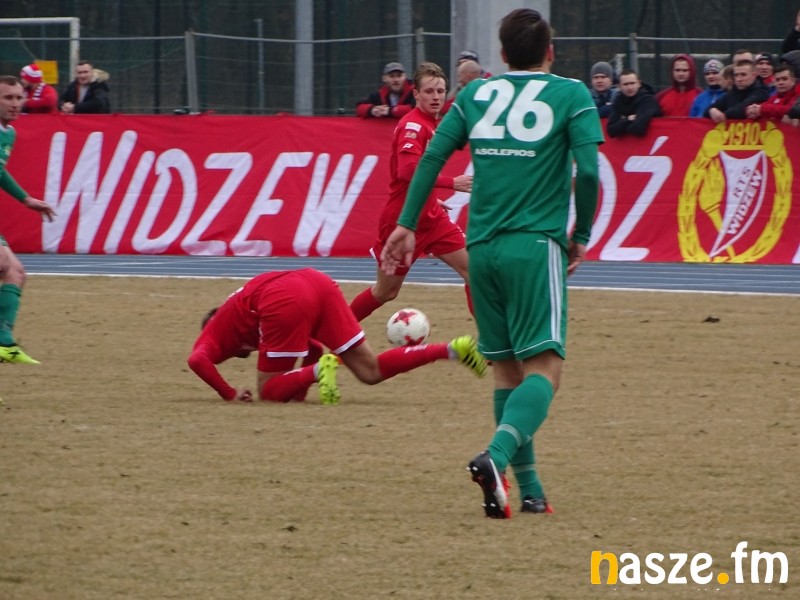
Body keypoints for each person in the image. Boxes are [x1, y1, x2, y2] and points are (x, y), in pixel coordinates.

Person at [380, 8, 603, 519]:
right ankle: (496, 457)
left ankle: (531, 493)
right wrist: (581, 235)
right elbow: (589, 173)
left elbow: (432, 158)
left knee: (506, 371)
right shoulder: (571, 94)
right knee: (545, 370)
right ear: (551, 52)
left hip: (481, 248)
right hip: (535, 246)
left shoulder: (476, 94)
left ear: (501, 54)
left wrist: (407, 223)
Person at [187, 268, 487, 403]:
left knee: (267, 392)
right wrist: (299, 394)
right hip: (317, 282)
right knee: (370, 371)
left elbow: (197, 360)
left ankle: (320, 372)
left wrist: (229, 394)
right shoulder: (239, 315)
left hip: (284, 297)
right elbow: (313, 349)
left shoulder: (213, 332)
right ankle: (450, 349)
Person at [349, 62, 473, 322]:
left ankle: (490, 341)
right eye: (429, 91)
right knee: (385, 292)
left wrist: (430, 198)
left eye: (440, 91)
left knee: (475, 273)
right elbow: (407, 171)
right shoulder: (413, 126)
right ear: (415, 94)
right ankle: (336, 331)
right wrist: (452, 183)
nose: (436, 97)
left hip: (433, 219)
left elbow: (416, 174)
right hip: (403, 222)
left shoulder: (432, 123)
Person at [0, 76, 57, 364]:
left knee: (16, 273)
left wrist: (26, 199)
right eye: (7, 98)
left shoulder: (8, 134)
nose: (15, 103)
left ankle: (4, 344)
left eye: (18, 97)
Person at [705, 59, 770, 123]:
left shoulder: (761, 92)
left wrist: (722, 115)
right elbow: (708, 110)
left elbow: (743, 109)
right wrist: (712, 110)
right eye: (736, 75)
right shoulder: (732, 92)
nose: (739, 79)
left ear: (754, 75)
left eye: (743, 75)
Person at [606, 69, 662, 138]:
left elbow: (638, 128)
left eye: (632, 83)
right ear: (619, 87)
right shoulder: (618, 100)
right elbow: (611, 131)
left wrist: (621, 121)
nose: (629, 87)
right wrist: (628, 119)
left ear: (639, 84)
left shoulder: (647, 100)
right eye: (625, 84)